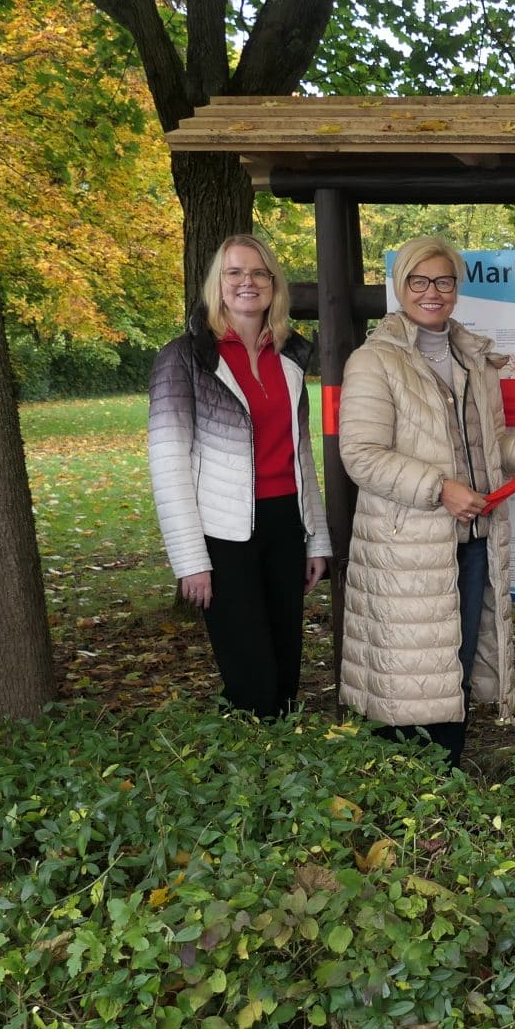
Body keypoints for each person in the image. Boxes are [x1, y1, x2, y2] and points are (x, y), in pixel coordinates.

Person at [338, 235, 515, 766]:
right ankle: (405, 786)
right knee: (407, 669)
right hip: (405, 547)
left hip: (473, 540)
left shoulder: (474, 360)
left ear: (456, 288)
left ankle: (445, 778)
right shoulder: (373, 360)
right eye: (419, 281)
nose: (432, 292)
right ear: (400, 286)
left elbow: (493, 451)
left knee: (455, 660)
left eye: (444, 281)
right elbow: (361, 455)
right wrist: (440, 489)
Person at [148, 234, 333, 717]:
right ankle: (251, 748)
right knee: (250, 668)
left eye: (258, 273)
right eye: (234, 272)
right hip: (223, 532)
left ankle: (283, 748)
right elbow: (168, 463)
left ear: (273, 284)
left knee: (286, 660)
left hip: (285, 523)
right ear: (218, 283)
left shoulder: (290, 357)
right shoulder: (186, 357)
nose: (247, 282)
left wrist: (316, 539)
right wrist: (190, 559)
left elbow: (301, 454)